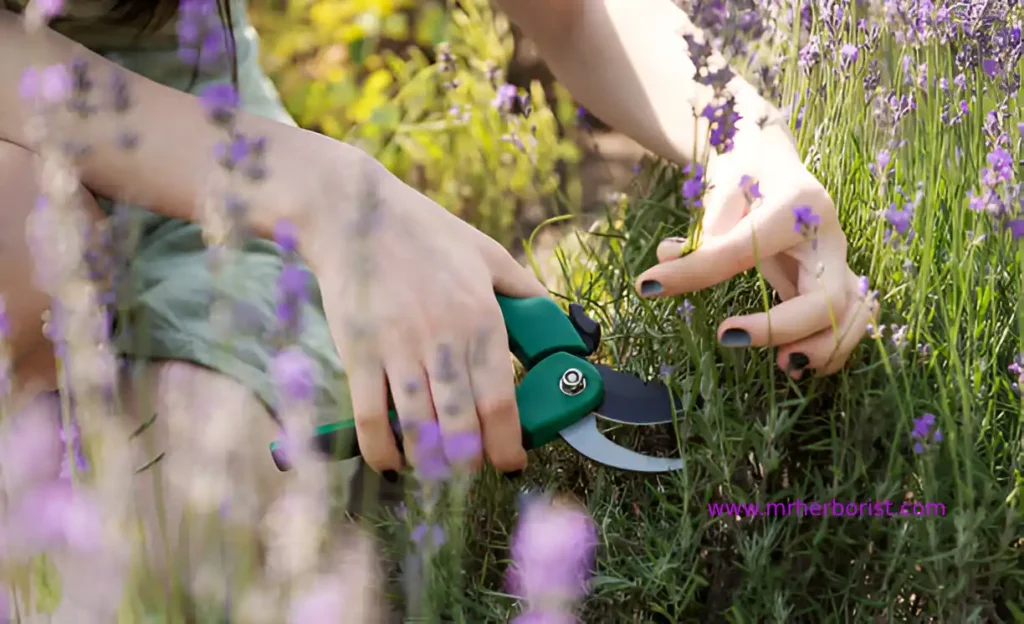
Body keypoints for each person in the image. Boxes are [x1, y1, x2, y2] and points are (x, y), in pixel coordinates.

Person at [0, 0, 875, 585]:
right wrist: (329, 193)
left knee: (245, 519)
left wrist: (750, 146)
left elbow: (578, 15)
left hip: (216, 143)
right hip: (88, 182)